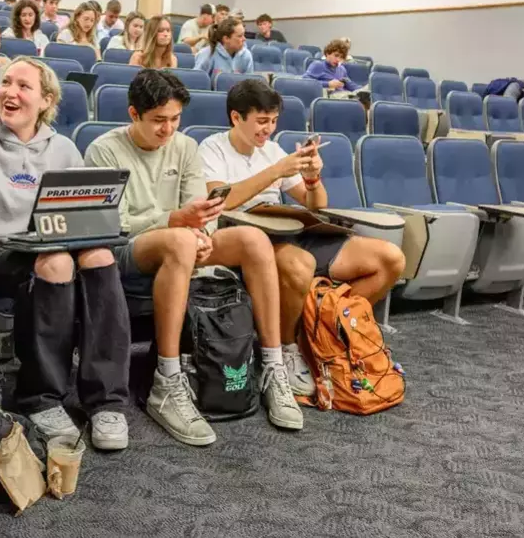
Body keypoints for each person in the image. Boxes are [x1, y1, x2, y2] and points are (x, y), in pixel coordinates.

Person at [0, 58, 132, 450]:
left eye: (23, 86)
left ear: (46, 100)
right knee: (57, 261)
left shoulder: (64, 149)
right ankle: (42, 398)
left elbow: (79, 216)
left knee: (99, 255)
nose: (9, 92)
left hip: (43, 249)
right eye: (6, 83)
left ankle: (106, 401)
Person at [84, 70, 303, 445]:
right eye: (158, 121)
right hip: (128, 247)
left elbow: (202, 209)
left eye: (174, 119)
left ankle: (272, 365)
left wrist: (201, 233)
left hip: (183, 239)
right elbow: (114, 224)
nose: (167, 129)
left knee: (253, 240)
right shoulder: (104, 150)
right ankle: (166, 382)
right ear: (133, 113)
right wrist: (175, 223)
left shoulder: (185, 147)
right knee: (181, 242)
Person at [197, 80, 406, 397]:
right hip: (246, 237)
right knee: (301, 264)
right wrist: (276, 171)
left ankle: (322, 332)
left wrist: (311, 179)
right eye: (261, 121)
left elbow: (316, 204)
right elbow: (218, 200)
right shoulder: (212, 148)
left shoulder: (273, 150)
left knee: (389, 259)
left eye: (274, 121)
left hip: (288, 228)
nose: (268, 129)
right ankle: (286, 349)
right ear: (236, 117)